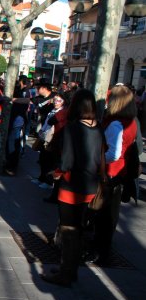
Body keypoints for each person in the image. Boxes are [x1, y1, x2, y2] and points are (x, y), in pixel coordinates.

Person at [41, 89, 102, 287]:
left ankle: (65, 273)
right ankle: (71, 269)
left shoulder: (72, 128)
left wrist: (57, 173)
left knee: (68, 230)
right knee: (79, 229)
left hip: (72, 185)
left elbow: (66, 161)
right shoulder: (98, 127)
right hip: (90, 185)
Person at [87, 85, 138, 265]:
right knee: (108, 216)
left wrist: (95, 159)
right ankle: (101, 249)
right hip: (119, 173)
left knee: (103, 215)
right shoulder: (131, 121)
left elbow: (114, 153)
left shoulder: (116, 123)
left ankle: (100, 252)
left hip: (110, 173)